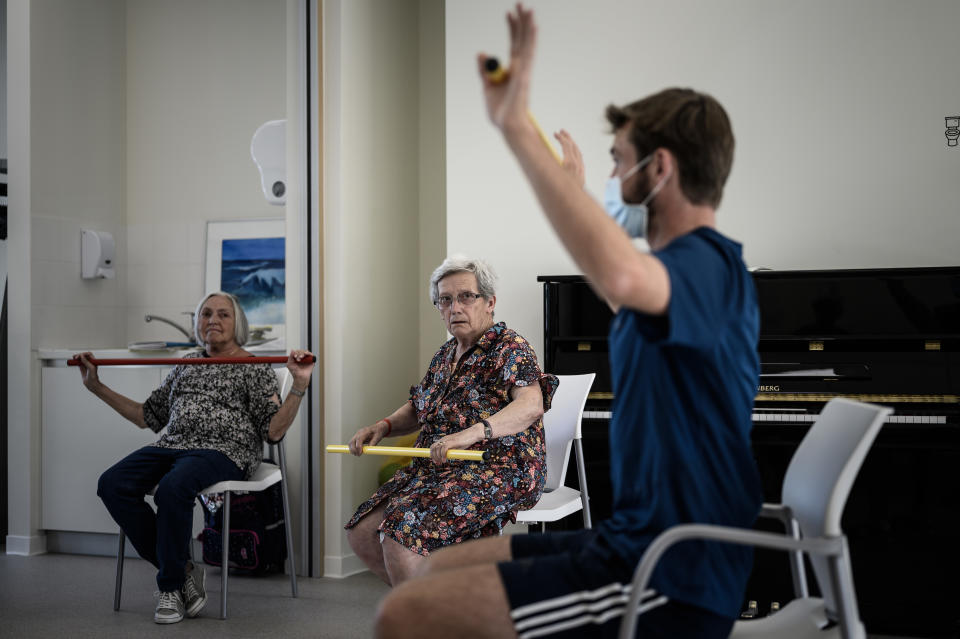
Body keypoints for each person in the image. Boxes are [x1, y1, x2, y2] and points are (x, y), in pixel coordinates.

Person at [374, 5, 761, 639]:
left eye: (619, 160)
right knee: (438, 570)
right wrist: (578, 191)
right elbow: (626, 289)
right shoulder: (678, 284)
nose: (611, 176)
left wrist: (516, 131)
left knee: (406, 613)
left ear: (658, 168)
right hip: (629, 543)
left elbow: (622, 277)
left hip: (669, 572)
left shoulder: (706, 265)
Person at [78, 292, 314, 624]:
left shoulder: (252, 366)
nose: (213, 320)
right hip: (171, 445)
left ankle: (170, 587)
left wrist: (299, 386)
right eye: (206, 314)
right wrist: (96, 387)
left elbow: (273, 432)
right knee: (112, 484)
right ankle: (185, 568)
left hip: (224, 450)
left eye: (223, 314)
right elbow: (146, 416)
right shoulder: (187, 362)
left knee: (172, 489)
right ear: (197, 323)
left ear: (237, 324)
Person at [344, 255, 558, 586]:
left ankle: (430, 619)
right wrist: (382, 427)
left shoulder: (510, 346)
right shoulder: (445, 355)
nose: (455, 307)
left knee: (401, 533)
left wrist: (471, 434)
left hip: (500, 467)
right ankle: (439, 609)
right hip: (441, 466)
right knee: (362, 531)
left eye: (465, 297)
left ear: (490, 302)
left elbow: (531, 405)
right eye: (445, 300)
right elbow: (419, 408)